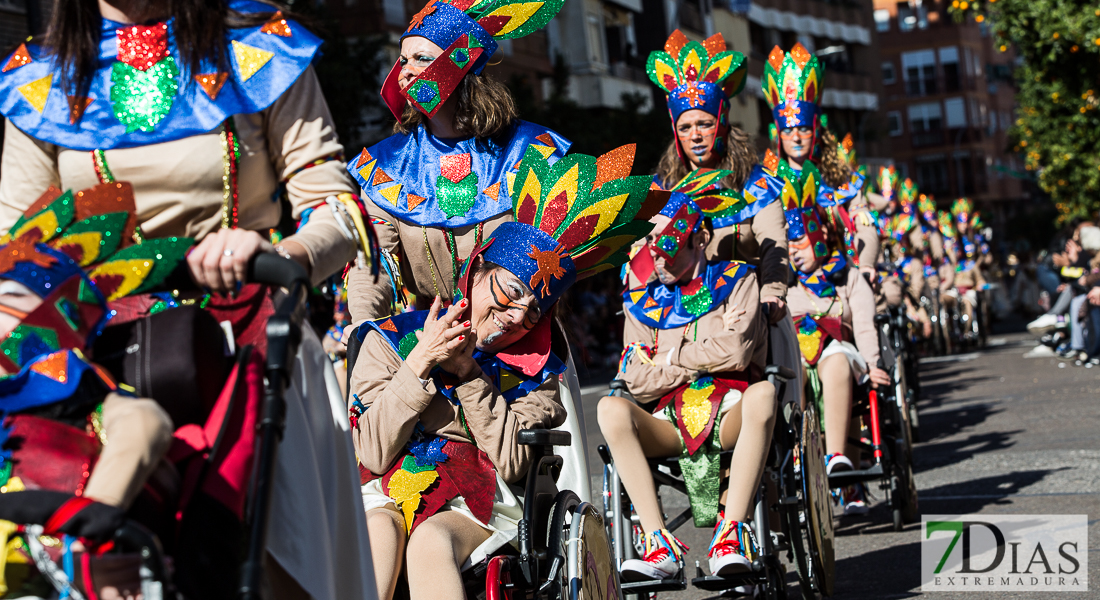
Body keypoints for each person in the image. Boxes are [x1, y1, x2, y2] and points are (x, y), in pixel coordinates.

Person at [0, 2, 376, 597]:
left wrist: (279, 252)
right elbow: (17, 253)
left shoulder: (260, 42)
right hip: (96, 364)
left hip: (252, 350)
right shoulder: (40, 74)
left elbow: (336, 208)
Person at [348, 145, 662, 600]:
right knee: (378, 535)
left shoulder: (538, 373)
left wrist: (470, 375)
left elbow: (514, 464)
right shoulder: (389, 339)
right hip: (386, 486)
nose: (515, 316)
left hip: (474, 501)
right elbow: (373, 453)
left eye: (533, 311)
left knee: (429, 543)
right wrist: (419, 362)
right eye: (509, 291)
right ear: (475, 273)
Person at [344, 0, 570, 323]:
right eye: (403, 59)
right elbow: (372, 267)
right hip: (430, 338)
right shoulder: (388, 164)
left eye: (422, 59)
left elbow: (550, 261)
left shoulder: (530, 152)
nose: (405, 71)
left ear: (460, 63)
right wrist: (363, 332)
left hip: (516, 336)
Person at [597, 178, 774, 590]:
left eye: (661, 239)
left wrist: (669, 357)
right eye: (648, 239)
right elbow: (635, 380)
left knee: (764, 392)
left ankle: (732, 535)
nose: (651, 251)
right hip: (667, 420)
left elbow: (738, 355)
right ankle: (660, 544)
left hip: (732, 409)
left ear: (696, 238)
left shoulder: (739, 280)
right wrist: (706, 355)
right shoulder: (640, 302)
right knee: (610, 406)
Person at [647, 30, 788, 316]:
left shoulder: (756, 182)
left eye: (705, 124)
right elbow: (642, 252)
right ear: (677, 134)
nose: (696, 135)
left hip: (749, 309)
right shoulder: (661, 190)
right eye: (686, 128)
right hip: (679, 312)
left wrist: (772, 291)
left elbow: (774, 244)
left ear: (722, 124)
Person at [783, 163, 890, 515]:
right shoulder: (784, 285)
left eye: (799, 240)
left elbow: (863, 327)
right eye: (788, 242)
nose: (793, 250)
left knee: (838, 359)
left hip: (842, 359)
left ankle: (836, 456)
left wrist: (874, 365)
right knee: (790, 362)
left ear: (821, 236)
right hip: (797, 365)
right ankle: (796, 457)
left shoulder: (851, 279)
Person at [761, 44, 867, 273]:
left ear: (816, 130)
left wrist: (866, 264)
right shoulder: (764, 183)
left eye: (804, 129)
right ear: (777, 135)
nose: (796, 138)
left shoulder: (838, 178)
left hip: (839, 273)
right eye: (788, 131)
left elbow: (864, 226)